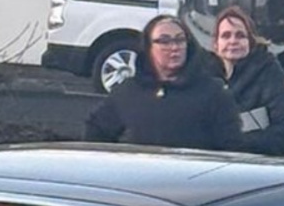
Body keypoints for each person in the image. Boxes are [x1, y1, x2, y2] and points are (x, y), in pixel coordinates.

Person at [85, 14, 243, 151]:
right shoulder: (128, 91)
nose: (174, 47)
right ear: (148, 47)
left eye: (180, 40)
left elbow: (231, 146)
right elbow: (96, 132)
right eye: (164, 41)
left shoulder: (213, 92)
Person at [213, 5, 284, 156]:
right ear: (216, 44)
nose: (233, 41)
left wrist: (241, 144)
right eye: (226, 36)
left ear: (250, 41)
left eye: (240, 36)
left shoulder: (269, 73)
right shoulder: (204, 75)